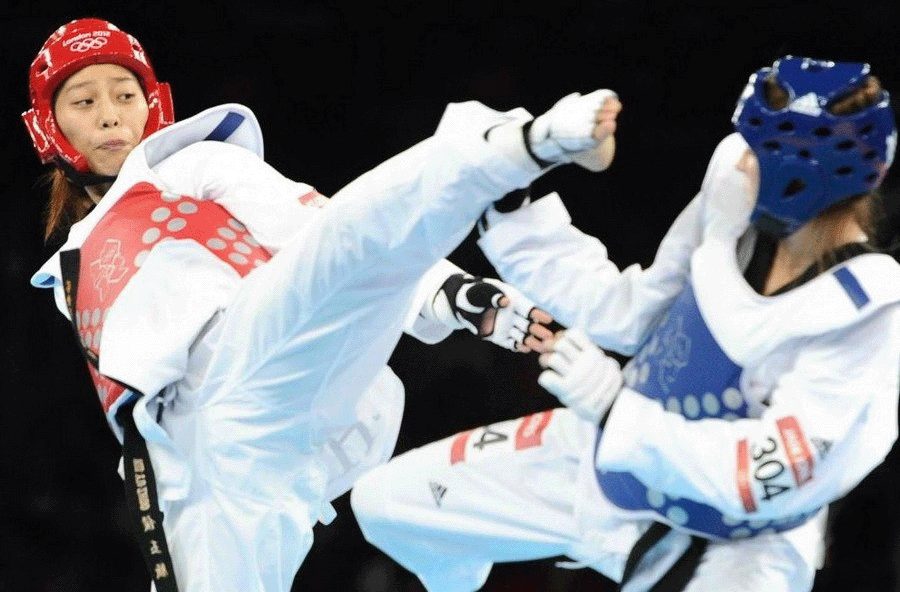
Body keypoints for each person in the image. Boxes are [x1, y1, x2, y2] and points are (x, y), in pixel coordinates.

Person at [22, 17, 623, 592]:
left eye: (125, 95)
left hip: (249, 347)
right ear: (49, 127)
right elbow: (139, 431)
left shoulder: (191, 162)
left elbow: (316, 226)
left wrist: (452, 295)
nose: (110, 115)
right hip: (214, 460)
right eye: (85, 102)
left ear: (153, 105)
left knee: (337, 246)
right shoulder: (70, 274)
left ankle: (509, 145)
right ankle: (446, 544)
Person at [350, 56, 900, 592]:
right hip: (604, 464)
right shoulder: (733, 196)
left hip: (736, 545)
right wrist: (515, 199)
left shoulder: (868, 314)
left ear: (796, 175)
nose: (740, 162)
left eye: (758, 154)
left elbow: (764, 477)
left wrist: (615, 408)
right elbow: (634, 313)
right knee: (385, 505)